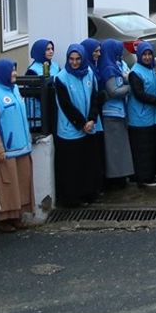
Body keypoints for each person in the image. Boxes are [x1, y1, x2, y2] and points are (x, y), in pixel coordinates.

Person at [0, 59, 34, 233]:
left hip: (21, 147)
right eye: (11, 71)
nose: (15, 74)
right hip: (5, 150)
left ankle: (16, 216)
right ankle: (2, 218)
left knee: (20, 183)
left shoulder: (15, 90)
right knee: (6, 186)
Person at [53, 44, 100, 207]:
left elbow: (95, 98)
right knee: (72, 167)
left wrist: (92, 119)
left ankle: (88, 194)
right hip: (71, 130)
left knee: (87, 165)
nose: (74, 62)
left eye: (78, 59)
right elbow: (65, 105)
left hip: (89, 126)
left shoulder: (89, 74)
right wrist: (81, 124)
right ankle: (72, 199)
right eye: (71, 59)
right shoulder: (61, 78)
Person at [126, 42, 156, 187]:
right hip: (139, 118)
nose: (147, 57)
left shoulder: (150, 69)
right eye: (144, 54)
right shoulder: (135, 73)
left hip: (150, 116)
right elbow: (139, 95)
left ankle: (150, 175)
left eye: (149, 54)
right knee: (142, 150)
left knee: (149, 148)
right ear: (139, 56)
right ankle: (143, 178)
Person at [98, 39, 135, 188]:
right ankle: (115, 179)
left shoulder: (115, 65)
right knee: (114, 150)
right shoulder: (108, 68)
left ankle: (120, 177)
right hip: (112, 114)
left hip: (118, 113)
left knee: (119, 148)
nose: (121, 53)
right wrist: (130, 87)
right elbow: (113, 91)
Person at [80, 37, 107, 199]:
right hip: (90, 119)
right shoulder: (88, 70)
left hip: (96, 116)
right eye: (95, 51)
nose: (98, 54)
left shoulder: (93, 68)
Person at [24, 39, 59, 132]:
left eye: (52, 48)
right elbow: (36, 93)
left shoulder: (55, 66)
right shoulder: (32, 71)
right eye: (47, 49)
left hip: (53, 108)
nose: (51, 51)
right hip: (38, 113)